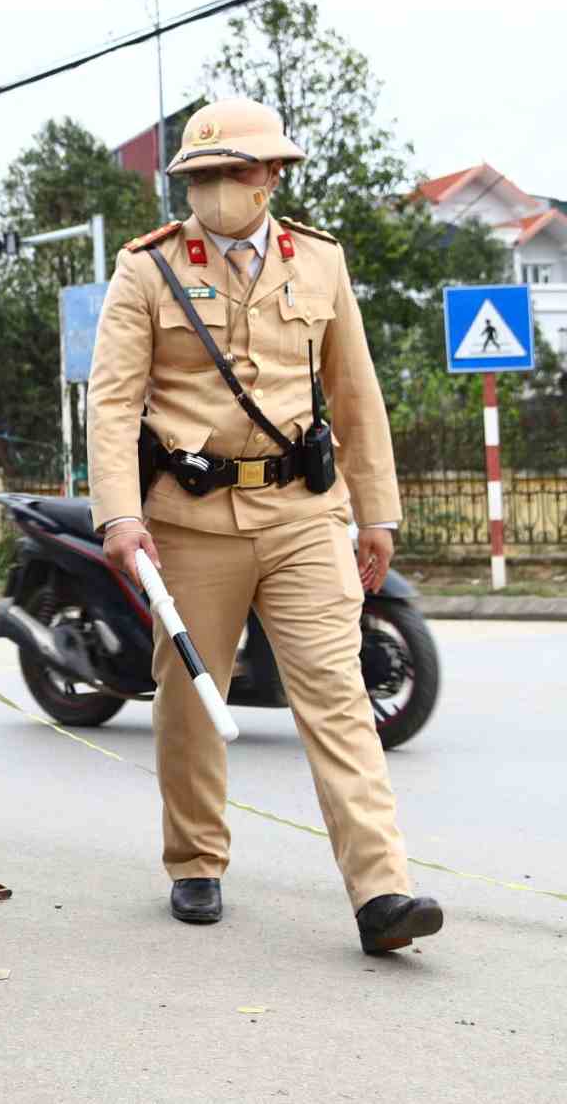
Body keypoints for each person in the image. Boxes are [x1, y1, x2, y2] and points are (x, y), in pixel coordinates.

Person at [85, 96, 443, 956]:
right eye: (197, 176)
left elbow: (355, 394)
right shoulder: (147, 269)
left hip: (303, 515)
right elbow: (111, 403)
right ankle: (196, 859)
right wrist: (120, 516)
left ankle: (381, 890)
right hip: (190, 521)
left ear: (270, 174)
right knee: (190, 698)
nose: (213, 189)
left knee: (338, 696)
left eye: (231, 172)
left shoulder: (318, 263)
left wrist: (376, 512)